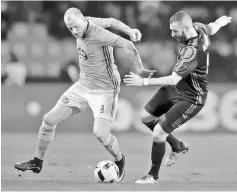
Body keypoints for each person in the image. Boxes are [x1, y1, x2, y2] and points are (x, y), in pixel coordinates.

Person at [14, 7, 155, 183]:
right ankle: (37, 161)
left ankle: (120, 160)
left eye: (76, 27)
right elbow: (111, 21)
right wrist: (129, 29)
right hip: (83, 86)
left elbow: (127, 44)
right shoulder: (86, 20)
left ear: (82, 20)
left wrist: (140, 69)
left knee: (100, 135)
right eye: (70, 28)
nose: (74, 31)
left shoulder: (99, 34)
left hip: (105, 90)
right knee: (49, 119)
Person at [124, 11, 232, 184]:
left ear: (187, 28)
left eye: (175, 31)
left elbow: (174, 78)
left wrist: (142, 82)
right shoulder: (198, 28)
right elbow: (211, 27)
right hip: (176, 88)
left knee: (159, 132)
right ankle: (178, 146)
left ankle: (152, 176)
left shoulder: (193, 51)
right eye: (171, 30)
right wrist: (221, 21)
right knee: (145, 117)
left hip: (192, 96)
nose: (172, 34)